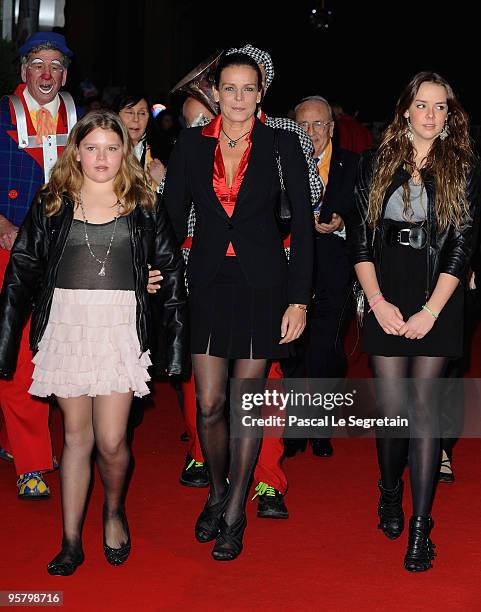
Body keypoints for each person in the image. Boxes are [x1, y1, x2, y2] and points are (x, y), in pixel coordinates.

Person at [0, 109, 187, 575]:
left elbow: (172, 275)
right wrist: (4, 345)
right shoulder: (53, 200)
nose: (101, 157)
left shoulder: (144, 203)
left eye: (111, 147)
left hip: (120, 329)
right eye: (91, 148)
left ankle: (113, 509)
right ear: (76, 152)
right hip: (67, 327)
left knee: (111, 439)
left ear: (124, 151)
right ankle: (69, 540)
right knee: (75, 437)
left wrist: (161, 300)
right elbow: (21, 273)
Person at [163, 52, 313, 560]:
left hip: (262, 285)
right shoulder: (188, 144)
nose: (240, 98)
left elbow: (305, 234)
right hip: (206, 282)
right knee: (209, 404)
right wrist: (157, 274)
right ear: (216, 92)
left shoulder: (282, 143)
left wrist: (299, 300)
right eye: (230, 88)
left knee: (247, 403)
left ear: (260, 93)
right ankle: (217, 491)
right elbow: (169, 218)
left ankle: (233, 515)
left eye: (249, 89)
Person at [347, 71, 480, 572]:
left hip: (438, 292)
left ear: (449, 115)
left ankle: (421, 528)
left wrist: (431, 311)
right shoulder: (375, 163)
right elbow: (359, 239)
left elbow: (462, 246)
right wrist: (377, 302)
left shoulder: (464, 167)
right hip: (387, 288)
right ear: (406, 109)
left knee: (423, 412)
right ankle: (388, 490)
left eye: (440, 107)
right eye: (422, 105)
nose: (430, 114)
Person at [0, 31, 78, 499]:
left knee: (42, 351)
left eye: (56, 65)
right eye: (38, 64)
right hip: (9, 248)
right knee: (20, 351)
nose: (47, 74)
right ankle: (31, 461)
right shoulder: (1, 115)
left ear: (65, 74)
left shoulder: (80, 118)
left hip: (64, 251)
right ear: (23, 71)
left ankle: (15, 439)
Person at [292, 95, 358, 458]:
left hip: (336, 268)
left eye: (319, 124)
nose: (311, 132)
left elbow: (366, 215)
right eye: (303, 124)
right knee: (294, 349)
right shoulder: (282, 162)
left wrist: (342, 223)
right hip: (290, 269)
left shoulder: (353, 165)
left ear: (332, 128)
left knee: (326, 349)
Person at [113, 92, 166, 189]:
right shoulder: (105, 152)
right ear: (116, 115)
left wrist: (163, 181)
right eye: (129, 112)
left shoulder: (163, 151)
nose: (136, 119)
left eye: (142, 113)